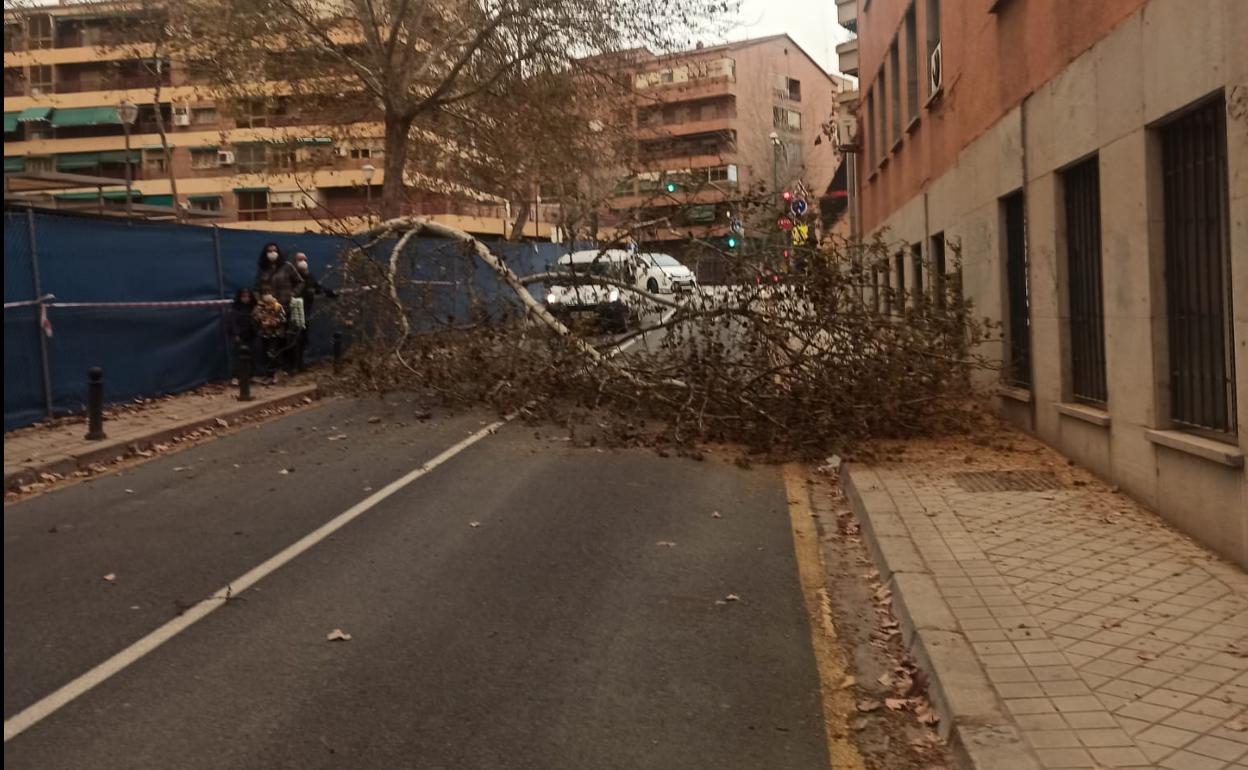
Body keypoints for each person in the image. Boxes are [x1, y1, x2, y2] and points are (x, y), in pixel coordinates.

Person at [291, 252, 337, 371]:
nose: (303, 262)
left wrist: (330, 293)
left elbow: (317, 287)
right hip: (294, 311)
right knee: (295, 339)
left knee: (303, 338)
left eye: (304, 259)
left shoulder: (309, 276)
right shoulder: (291, 276)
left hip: (306, 310)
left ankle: (300, 364)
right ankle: (293, 366)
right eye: (300, 260)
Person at [252, 285, 288, 385]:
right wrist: (261, 319)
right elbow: (255, 317)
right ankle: (267, 375)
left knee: (273, 354)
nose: (266, 295)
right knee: (265, 355)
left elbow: (283, 318)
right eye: (264, 293)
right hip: (264, 335)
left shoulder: (277, 306)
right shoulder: (259, 306)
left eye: (268, 293)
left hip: (274, 335)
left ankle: (275, 374)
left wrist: (272, 322)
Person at [254, 243, 305, 308]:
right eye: (269, 251)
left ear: (278, 252)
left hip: (286, 306)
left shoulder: (287, 266)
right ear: (265, 254)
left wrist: (292, 295)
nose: (272, 253)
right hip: (268, 308)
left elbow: (300, 282)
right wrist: (259, 301)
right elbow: (256, 288)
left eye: (275, 251)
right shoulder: (262, 269)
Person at [224, 288, 258, 384]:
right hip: (239, 336)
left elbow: (257, 322)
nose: (246, 299)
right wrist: (236, 334)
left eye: (248, 297)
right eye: (243, 297)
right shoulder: (235, 309)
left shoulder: (254, 308)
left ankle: (252, 375)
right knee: (238, 356)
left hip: (251, 335)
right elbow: (231, 323)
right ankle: (236, 377)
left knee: (253, 355)